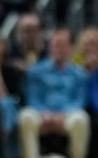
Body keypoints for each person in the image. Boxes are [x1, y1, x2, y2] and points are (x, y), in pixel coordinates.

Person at [17, 29, 90, 158]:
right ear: (50, 47)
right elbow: (32, 98)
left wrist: (63, 114)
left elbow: (80, 101)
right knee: (25, 116)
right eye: (56, 45)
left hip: (67, 117)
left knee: (81, 118)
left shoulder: (80, 74)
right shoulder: (35, 71)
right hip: (42, 116)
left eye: (63, 45)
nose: (59, 49)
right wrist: (44, 113)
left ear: (71, 48)